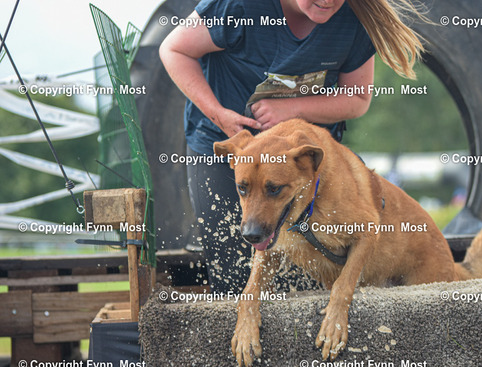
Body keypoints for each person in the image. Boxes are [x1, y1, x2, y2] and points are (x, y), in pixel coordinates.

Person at [160, 0, 427, 291]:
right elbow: (173, 50)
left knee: (299, 286)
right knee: (235, 275)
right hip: (227, 146)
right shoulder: (239, 6)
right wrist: (218, 114)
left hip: (298, 163)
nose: (328, 1)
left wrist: (292, 109)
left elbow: (357, 98)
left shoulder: (352, 19)